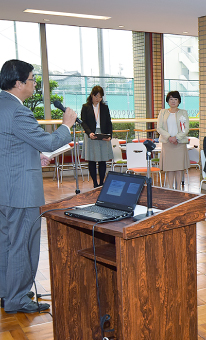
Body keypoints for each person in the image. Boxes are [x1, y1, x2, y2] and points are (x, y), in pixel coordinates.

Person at [0, 59, 77, 313]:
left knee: (6, 243)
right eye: (32, 79)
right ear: (19, 83)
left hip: (5, 188)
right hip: (20, 191)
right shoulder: (18, 111)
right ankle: (18, 299)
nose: (34, 84)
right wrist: (66, 125)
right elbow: (50, 140)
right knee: (22, 243)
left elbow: (10, 145)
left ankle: (6, 292)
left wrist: (34, 156)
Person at [156, 91, 190, 189]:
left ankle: (179, 188)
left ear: (179, 101)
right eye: (171, 99)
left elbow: (186, 129)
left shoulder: (183, 112)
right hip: (167, 143)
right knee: (169, 168)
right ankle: (170, 188)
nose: (173, 101)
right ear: (168, 100)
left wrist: (177, 137)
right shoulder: (163, 112)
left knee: (179, 168)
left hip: (179, 144)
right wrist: (169, 137)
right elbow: (159, 127)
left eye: (175, 99)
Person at [81, 85, 113, 188]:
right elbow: (83, 122)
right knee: (92, 159)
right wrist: (89, 133)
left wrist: (109, 135)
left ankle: (101, 183)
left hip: (102, 134)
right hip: (91, 134)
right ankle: (95, 183)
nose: (98, 99)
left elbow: (109, 122)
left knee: (103, 159)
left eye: (100, 97)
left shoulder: (104, 107)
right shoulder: (86, 107)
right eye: (96, 96)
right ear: (92, 95)